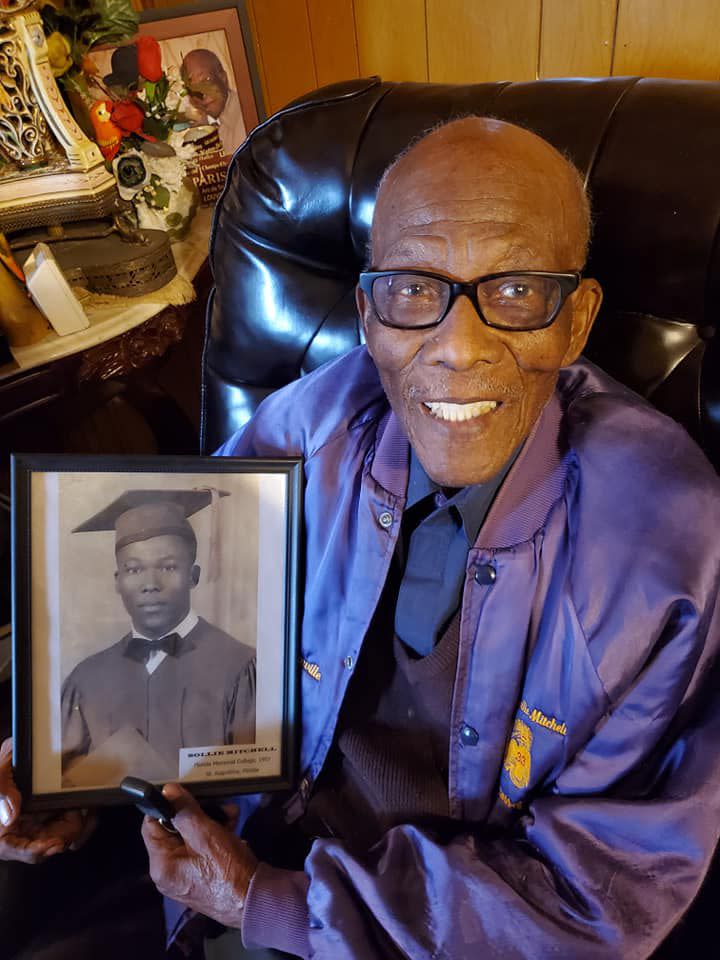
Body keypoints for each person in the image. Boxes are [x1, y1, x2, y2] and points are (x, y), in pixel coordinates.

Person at [1, 116, 719, 960]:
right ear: (367, 314)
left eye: (517, 290)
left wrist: (268, 903)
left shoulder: (667, 547)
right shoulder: (306, 428)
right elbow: (181, 631)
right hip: (233, 864)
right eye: (414, 289)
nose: (457, 347)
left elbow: (599, 898)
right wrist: (67, 766)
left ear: (576, 320)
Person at [61, 489, 256, 785]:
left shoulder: (240, 667)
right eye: (134, 569)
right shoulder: (85, 679)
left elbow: (254, 787)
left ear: (193, 575)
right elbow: (65, 787)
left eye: (168, 566)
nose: (150, 584)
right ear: (118, 581)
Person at [180, 49, 245, 156]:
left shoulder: (245, 114)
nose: (202, 94)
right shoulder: (208, 125)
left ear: (223, 78)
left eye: (206, 81)